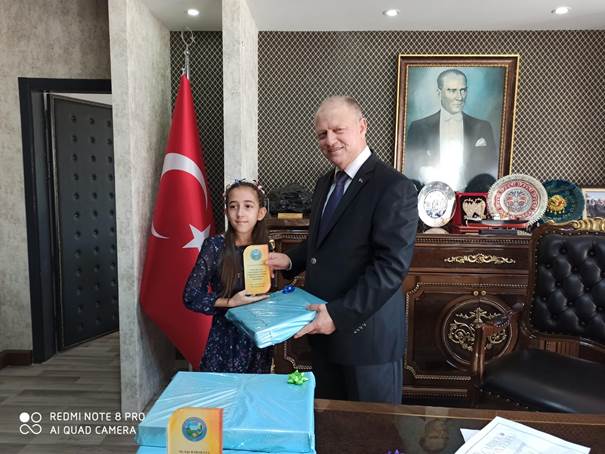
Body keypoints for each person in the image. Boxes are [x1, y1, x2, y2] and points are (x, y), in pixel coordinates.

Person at [268, 96, 418, 404]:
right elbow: (325, 242)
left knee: (372, 428)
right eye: (322, 134)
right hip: (324, 332)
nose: (330, 140)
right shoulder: (325, 182)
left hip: (366, 339)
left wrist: (338, 314)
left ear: (362, 127)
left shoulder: (393, 186)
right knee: (332, 423)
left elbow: (390, 268)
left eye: (338, 130)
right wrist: (290, 260)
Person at [183, 179, 272, 373]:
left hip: (258, 340)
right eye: (233, 206)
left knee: (255, 390)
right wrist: (230, 302)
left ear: (260, 213)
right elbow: (190, 295)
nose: (240, 213)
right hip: (224, 340)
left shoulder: (267, 249)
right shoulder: (214, 246)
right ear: (226, 211)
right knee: (221, 391)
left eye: (248, 206)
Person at [405, 69, 498, 191]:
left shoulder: (483, 127)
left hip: (471, 198)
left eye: (463, 90)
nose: (459, 97)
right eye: (452, 91)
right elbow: (411, 170)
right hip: (430, 197)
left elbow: (490, 169)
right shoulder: (418, 127)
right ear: (439, 93)